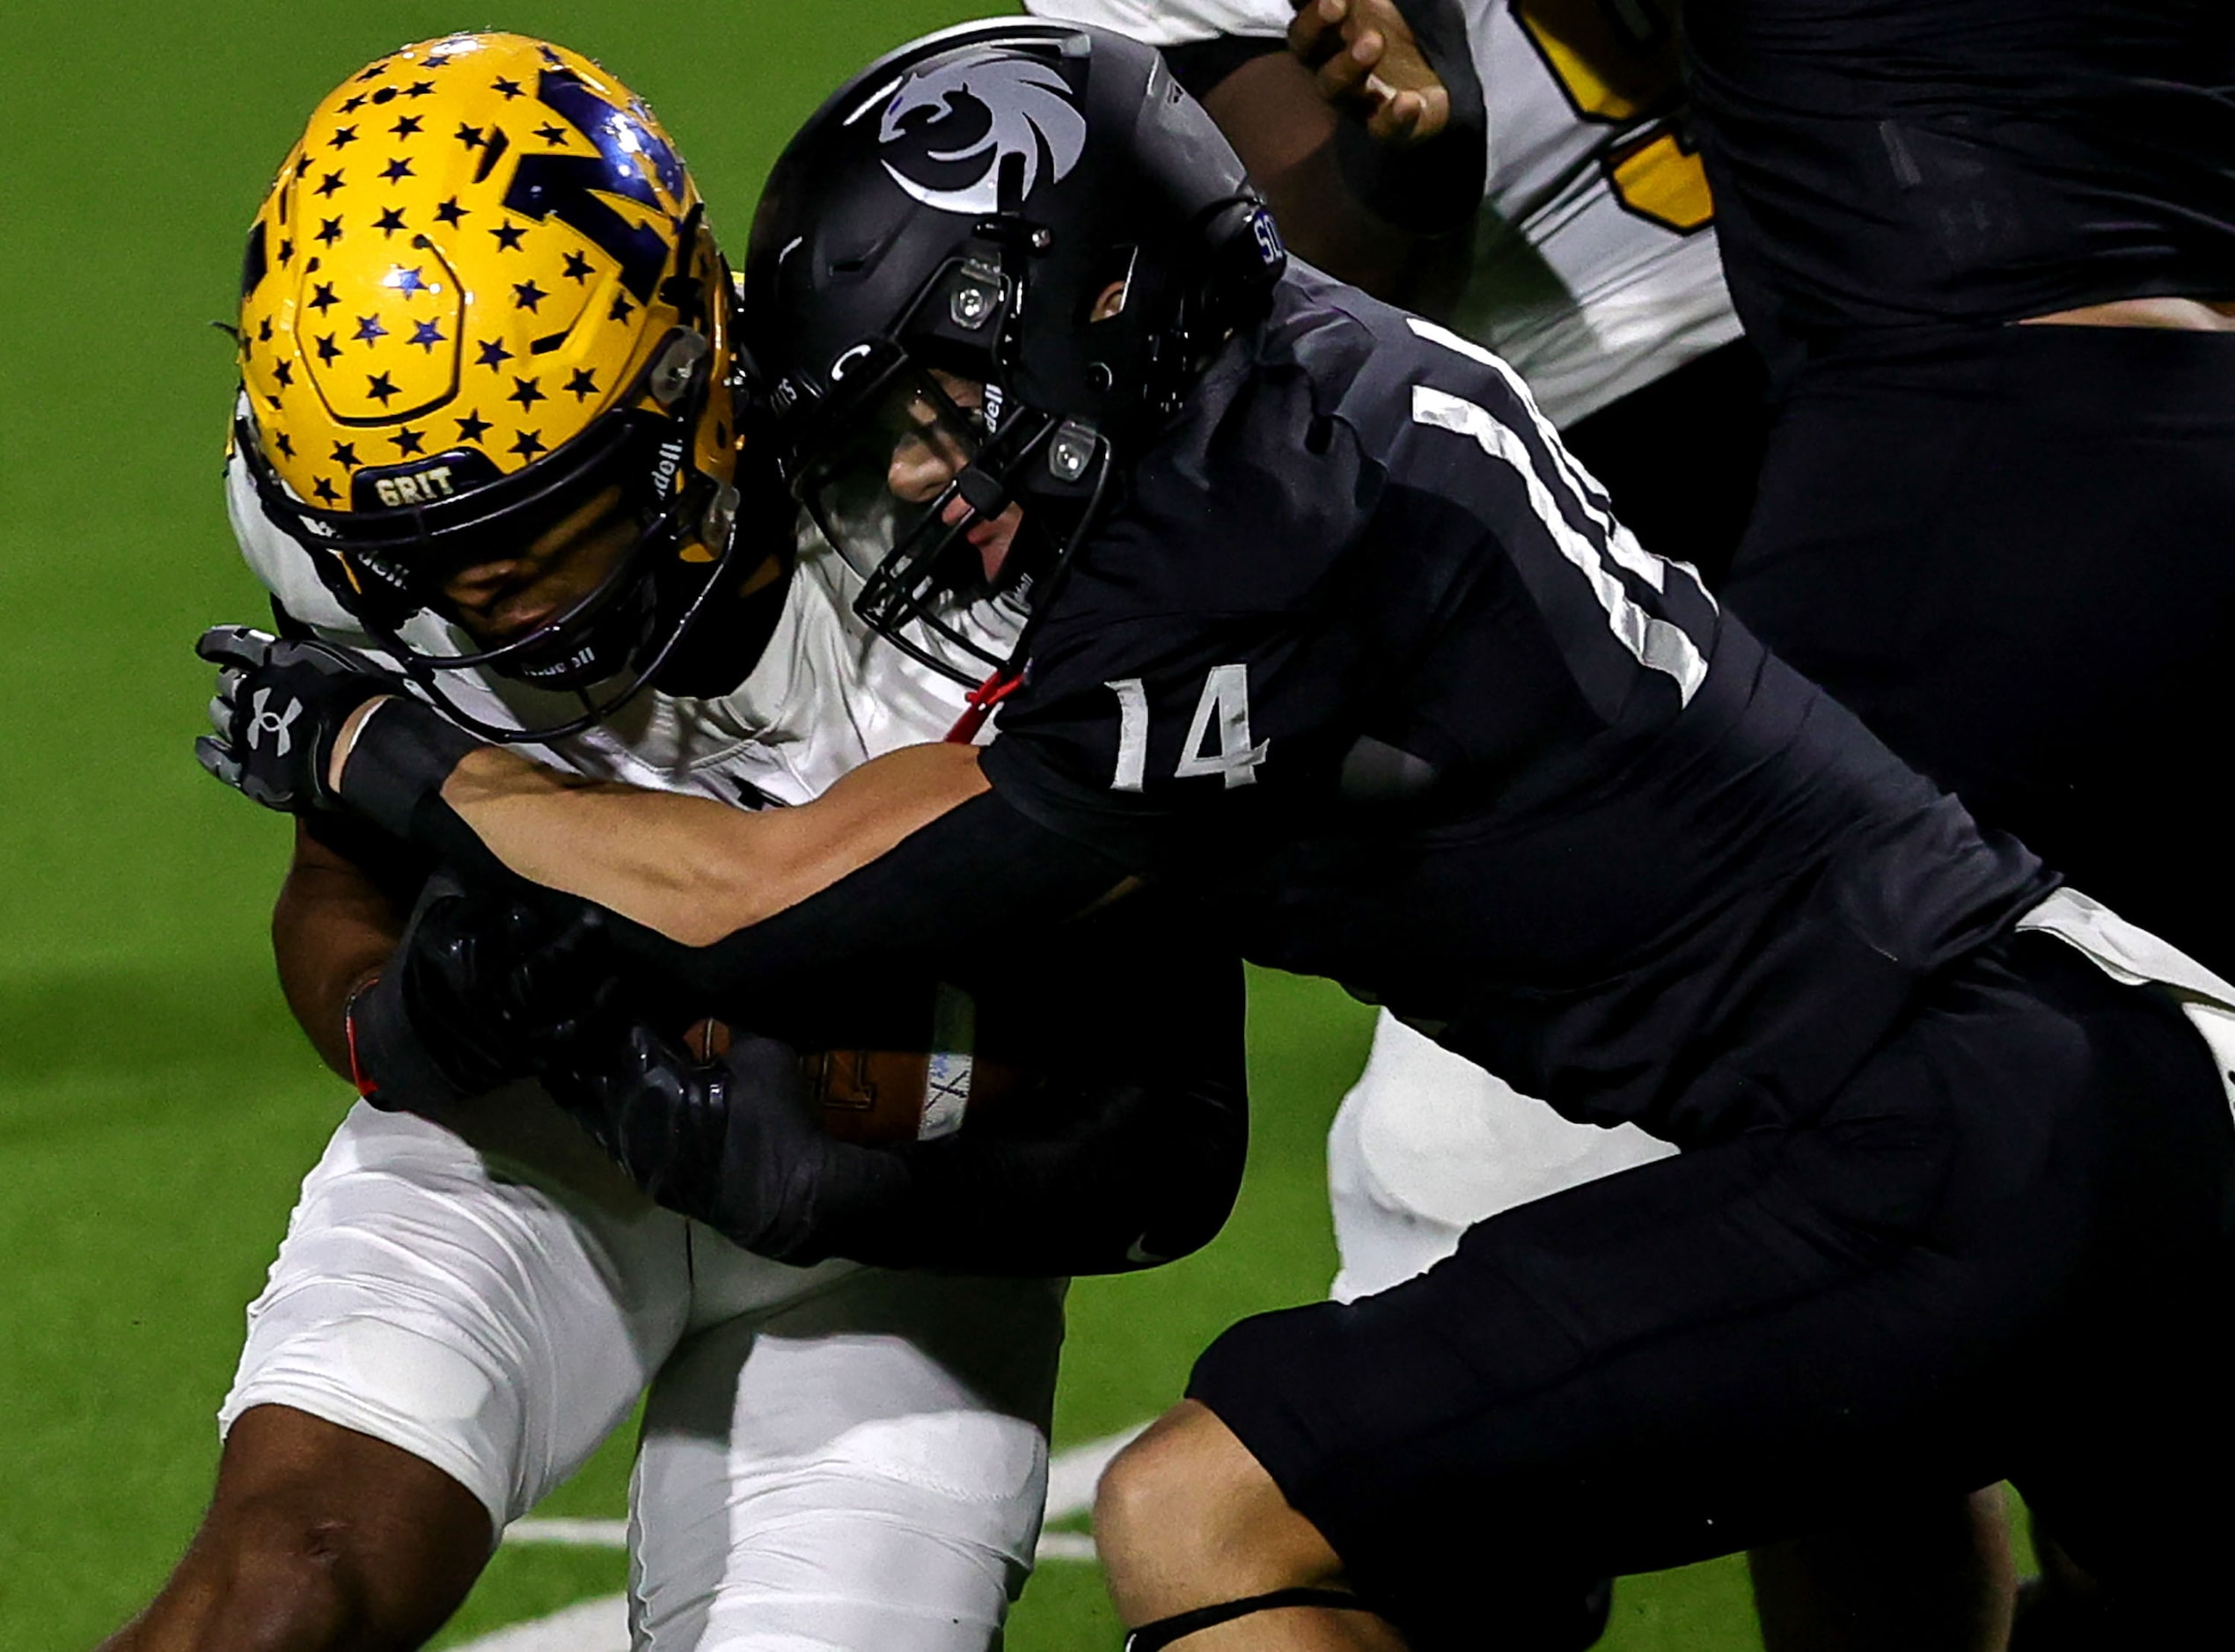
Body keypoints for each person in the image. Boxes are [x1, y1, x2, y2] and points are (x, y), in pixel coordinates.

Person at [192, 20, 2235, 1652]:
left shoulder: (1255, 537)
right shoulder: (1276, 416)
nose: (914, 464)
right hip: (1939, 1104)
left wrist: (396, 760)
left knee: (1205, 1507)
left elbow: (776, 905)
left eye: (939, 400)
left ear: (1086, 308)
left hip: (1980, 1126)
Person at [114, 33, 1243, 1652]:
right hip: (541, 1134)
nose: (474, 595)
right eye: (420, 554)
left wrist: (794, 1123)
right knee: (278, 1591)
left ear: (683, 396)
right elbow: (338, 890)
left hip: (909, 1218)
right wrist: (414, 1014)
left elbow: (1168, 1128)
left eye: (530, 524)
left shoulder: (965, 495)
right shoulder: (347, 527)